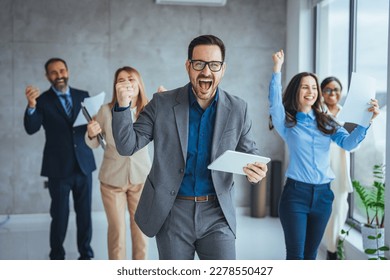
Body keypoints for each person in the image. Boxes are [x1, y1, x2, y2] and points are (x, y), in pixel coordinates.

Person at [112, 34, 268, 260]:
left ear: (223, 69)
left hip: (217, 214)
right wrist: (122, 107)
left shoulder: (238, 108)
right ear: (188, 66)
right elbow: (127, 146)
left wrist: (256, 170)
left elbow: (250, 152)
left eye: (214, 65)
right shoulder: (162, 103)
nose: (206, 72)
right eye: (199, 64)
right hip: (172, 212)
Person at [268, 50, 380, 260]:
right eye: (304, 87)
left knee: (311, 255)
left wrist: (367, 121)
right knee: (295, 255)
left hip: (323, 196)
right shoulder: (288, 123)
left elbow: (348, 143)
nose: (310, 91)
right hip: (295, 196)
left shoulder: (327, 121)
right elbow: (275, 104)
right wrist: (277, 69)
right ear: (296, 91)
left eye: (313, 87)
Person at [23, 58, 96, 260]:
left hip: (84, 165)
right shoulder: (42, 100)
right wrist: (31, 105)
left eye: (62, 70)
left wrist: (94, 129)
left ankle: (86, 255)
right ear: (47, 76)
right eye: (54, 73)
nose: (59, 75)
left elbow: (93, 130)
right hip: (58, 168)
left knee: (85, 215)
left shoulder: (83, 96)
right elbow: (31, 128)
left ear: (68, 71)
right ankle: (57, 256)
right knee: (60, 216)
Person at [85, 66, 151, 260]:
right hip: (112, 181)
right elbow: (95, 143)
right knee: (117, 232)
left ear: (139, 83)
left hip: (141, 179)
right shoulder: (106, 110)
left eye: (130, 79)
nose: (126, 83)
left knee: (140, 231)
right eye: (120, 80)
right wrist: (91, 133)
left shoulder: (148, 110)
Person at [320, 76, 353, 260]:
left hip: (340, 171)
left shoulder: (347, 115)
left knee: (340, 209)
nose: (333, 93)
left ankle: (332, 251)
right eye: (328, 90)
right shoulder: (317, 113)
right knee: (321, 210)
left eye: (336, 90)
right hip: (320, 169)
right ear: (322, 93)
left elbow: (353, 145)